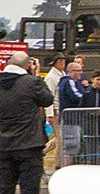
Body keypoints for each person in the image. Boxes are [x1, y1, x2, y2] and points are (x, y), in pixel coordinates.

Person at [0, 50, 56, 194]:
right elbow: (47, 99)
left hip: (3, 146)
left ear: (9, 63)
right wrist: (37, 75)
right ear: (27, 66)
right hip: (29, 145)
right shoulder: (32, 83)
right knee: (29, 188)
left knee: (4, 188)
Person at [41, 56, 63, 172]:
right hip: (55, 110)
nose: (62, 63)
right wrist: (49, 114)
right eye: (60, 61)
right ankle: (58, 164)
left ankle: (42, 152)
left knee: (60, 137)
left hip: (62, 110)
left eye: (63, 61)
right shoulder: (51, 77)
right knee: (60, 139)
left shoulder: (62, 74)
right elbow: (49, 96)